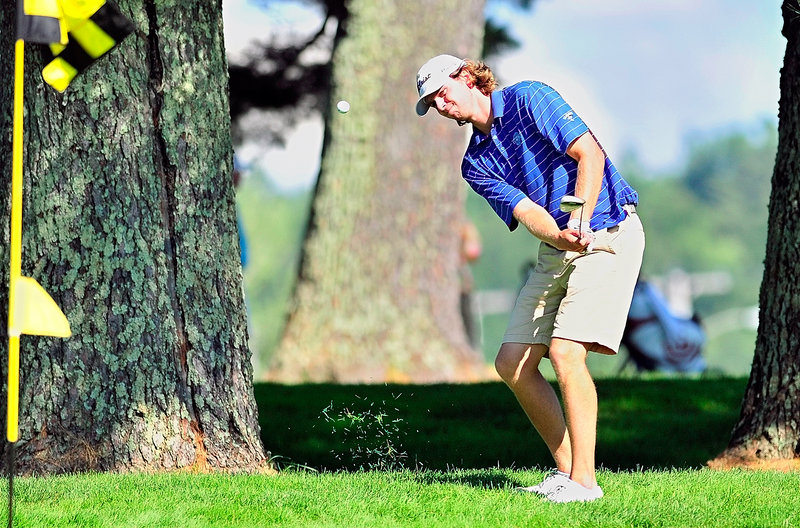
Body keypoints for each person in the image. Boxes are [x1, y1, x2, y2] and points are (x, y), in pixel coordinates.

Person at [415, 55, 645, 503]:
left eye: (443, 92)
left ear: (467, 76)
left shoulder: (530, 97)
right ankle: (568, 474)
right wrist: (559, 233)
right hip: (558, 245)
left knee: (565, 352)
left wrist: (577, 219)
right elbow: (527, 213)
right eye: (432, 103)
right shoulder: (475, 163)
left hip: (609, 230)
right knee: (512, 363)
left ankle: (586, 484)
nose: (441, 105)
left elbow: (589, 154)